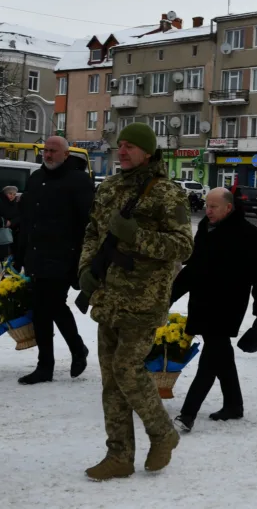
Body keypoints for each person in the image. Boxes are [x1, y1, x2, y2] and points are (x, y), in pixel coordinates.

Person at [78, 123, 194, 480]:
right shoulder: (109, 188)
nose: (122, 150)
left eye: (130, 146)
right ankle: (119, 456)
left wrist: (137, 235)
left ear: (147, 151)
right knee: (111, 381)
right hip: (108, 295)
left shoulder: (167, 194)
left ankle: (163, 433)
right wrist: (85, 267)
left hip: (144, 299)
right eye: (120, 145)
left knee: (127, 370)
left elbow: (183, 247)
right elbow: (93, 233)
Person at [172, 188, 257, 431]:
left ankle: (187, 414)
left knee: (210, 359)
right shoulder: (206, 230)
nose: (207, 210)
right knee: (221, 355)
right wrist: (169, 296)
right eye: (207, 205)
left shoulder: (247, 233)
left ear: (228, 207)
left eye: (213, 206)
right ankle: (234, 405)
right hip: (202, 301)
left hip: (228, 305)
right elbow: (194, 268)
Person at [12, 135, 94, 385]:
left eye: (53, 151)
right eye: (45, 151)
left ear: (66, 154)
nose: (47, 155)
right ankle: (50, 362)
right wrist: (19, 253)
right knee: (42, 309)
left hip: (64, 256)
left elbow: (87, 224)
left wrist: (80, 260)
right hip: (37, 254)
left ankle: (70, 353)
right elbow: (26, 219)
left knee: (53, 305)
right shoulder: (37, 178)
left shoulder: (79, 180)